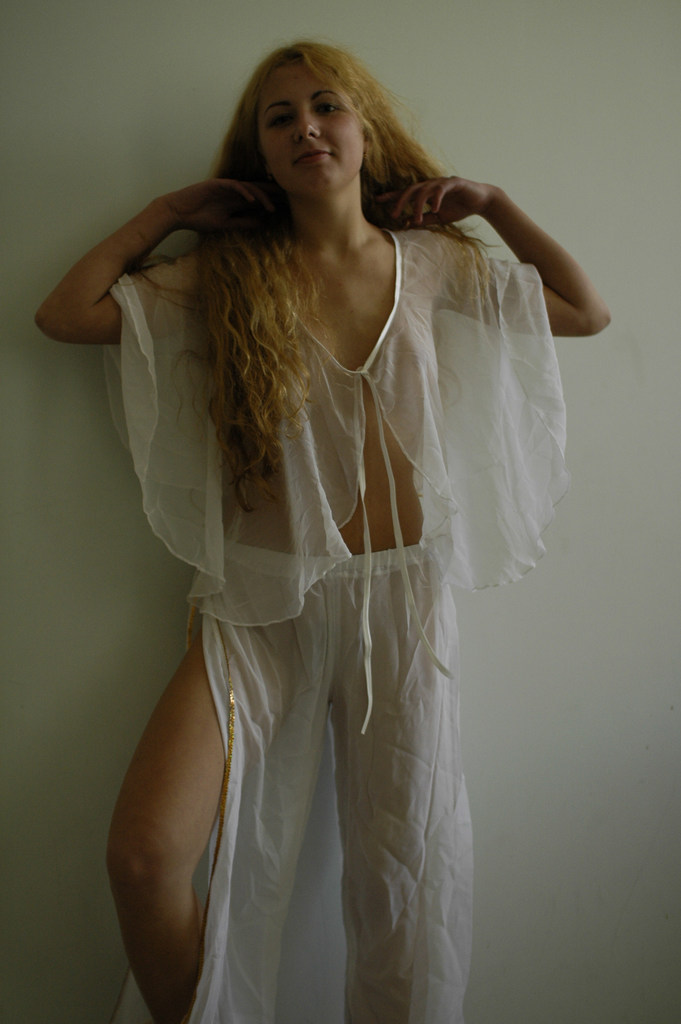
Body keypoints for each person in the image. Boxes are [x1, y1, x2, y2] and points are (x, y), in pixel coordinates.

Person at [35, 39, 610, 1024]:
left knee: (404, 885)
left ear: (364, 129)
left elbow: (584, 312)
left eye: (326, 106)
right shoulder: (225, 275)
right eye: (280, 117)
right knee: (143, 856)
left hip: (402, 606)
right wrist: (169, 212)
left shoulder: (430, 262)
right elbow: (67, 314)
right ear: (259, 155)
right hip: (259, 608)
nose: (306, 126)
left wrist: (492, 204)